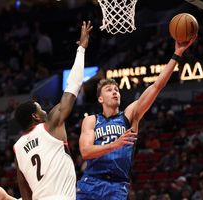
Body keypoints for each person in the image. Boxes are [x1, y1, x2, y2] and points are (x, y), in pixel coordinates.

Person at [76, 36, 196, 199]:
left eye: (116, 89)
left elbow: (156, 86)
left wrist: (177, 54)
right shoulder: (91, 120)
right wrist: (115, 144)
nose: (114, 92)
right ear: (100, 99)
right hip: (91, 182)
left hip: (117, 186)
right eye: (109, 90)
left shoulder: (130, 115)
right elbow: (86, 152)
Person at [13, 21, 92, 200]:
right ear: (35, 116)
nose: (45, 111)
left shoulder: (18, 149)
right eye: (40, 109)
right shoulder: (49, 125)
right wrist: (81, 50)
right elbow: (73, 86)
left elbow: (25, 193)